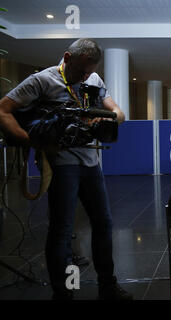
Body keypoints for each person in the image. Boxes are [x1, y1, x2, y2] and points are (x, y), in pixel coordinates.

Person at [0, 38, 132, 300]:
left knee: (103, 224)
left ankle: (108, 286)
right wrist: (33, 141)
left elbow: (119, 113)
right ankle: (63, 293)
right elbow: (3, 110)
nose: (85, 76)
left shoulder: (93, 80)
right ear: (67, 58)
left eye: (89, 71)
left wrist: (105, 117)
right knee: (61, 229)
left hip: (91, 162)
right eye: (81, 71)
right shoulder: (43, 80)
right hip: (62, 162)